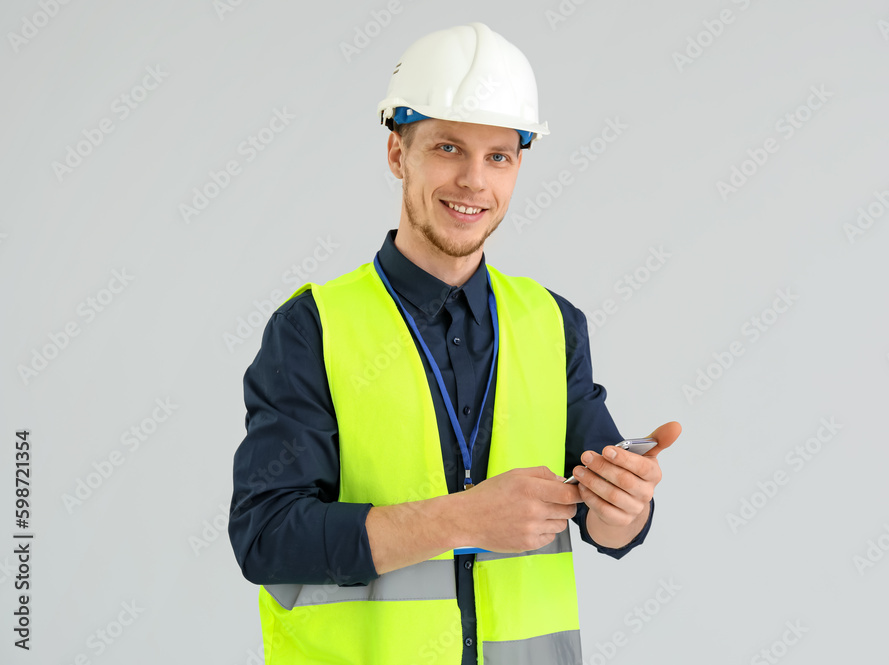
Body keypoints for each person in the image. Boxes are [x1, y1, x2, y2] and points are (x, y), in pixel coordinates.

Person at [228, 21, 682, 665]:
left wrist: (623, 508)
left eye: (498, 156)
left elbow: (605, 521)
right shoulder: (314, 328)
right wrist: (465, 519)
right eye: (447, 147)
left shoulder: (552, 323)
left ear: (519, 165)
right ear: (397, 154)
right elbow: (267, 538)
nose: (474, 180)